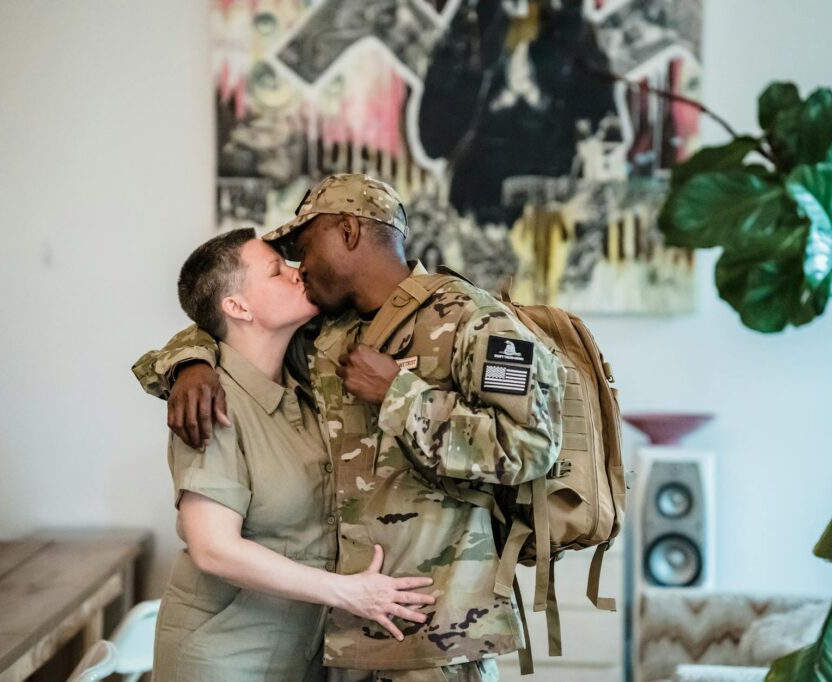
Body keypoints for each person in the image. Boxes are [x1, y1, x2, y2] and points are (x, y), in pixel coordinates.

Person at [134, 173, 567, 681]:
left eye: (303, 246)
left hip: (436, 636)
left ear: (348, 231)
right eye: (284, 263)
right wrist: (191, 363)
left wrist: (400, 396)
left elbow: (533, 445)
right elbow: (227, 320)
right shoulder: (325, 331)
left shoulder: (477, 321)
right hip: (340, 642)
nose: (299, 266)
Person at [152, 229, 435, 681]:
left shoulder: (309, 387)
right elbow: (214, 550)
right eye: (276, 271)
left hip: (301, 658)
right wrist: (350, 593)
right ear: (237, 307)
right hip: (224, 660)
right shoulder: (209, 402)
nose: (296, 273)